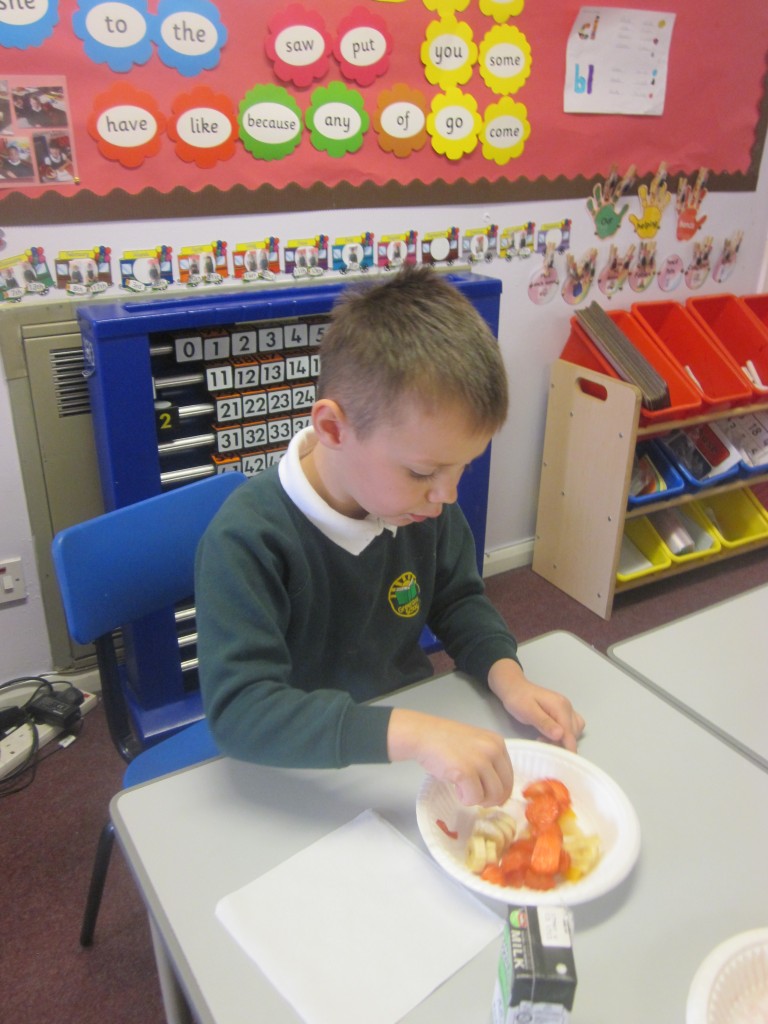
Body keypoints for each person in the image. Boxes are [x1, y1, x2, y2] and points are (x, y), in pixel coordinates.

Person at [195, 266, 584, 807]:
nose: (446, 495)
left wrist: (509, 679)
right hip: (304, 768)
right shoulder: (247, 540)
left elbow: (458, 600)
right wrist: (415, 733)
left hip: (403, 747)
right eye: (424, 472)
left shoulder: (419, 507)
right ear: (333, 429)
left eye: (463, 467)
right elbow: (242, 712)